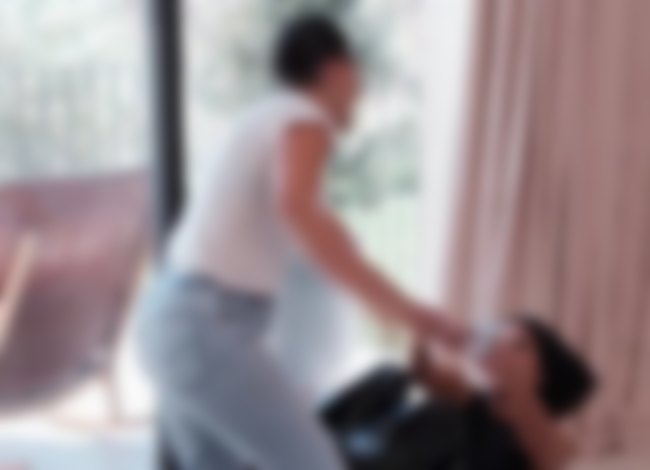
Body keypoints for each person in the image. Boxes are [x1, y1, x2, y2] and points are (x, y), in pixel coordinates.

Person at [135, 14, 458, 470]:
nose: (360, 91)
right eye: (357, 74)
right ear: (335, 69)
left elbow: (321, 233)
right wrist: (412, 313)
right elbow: (298, 212)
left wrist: (404, 310)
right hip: (205, 325)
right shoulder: (304, 118)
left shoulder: (266, 119)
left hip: (171, 322)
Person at [412, 315, 597, 470]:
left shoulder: (567, 454)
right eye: (499, 338)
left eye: (519, 344)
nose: (497, 346)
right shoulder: (479, 409)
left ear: (544, 372)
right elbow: (427, 372)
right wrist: (424, 332)